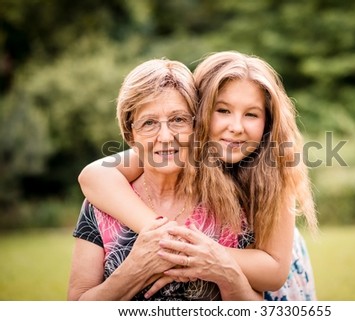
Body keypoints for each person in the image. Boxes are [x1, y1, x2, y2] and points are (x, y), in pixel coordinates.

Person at [78, 51, 318, 300]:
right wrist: (163, 236)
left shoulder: (273, 168)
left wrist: (202, 253)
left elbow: (274, 272)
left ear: (268, 123)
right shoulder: (174, 150)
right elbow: (94, 176)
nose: (236, 127)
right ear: (198, 110)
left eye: (251, 114)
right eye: (223, 110)